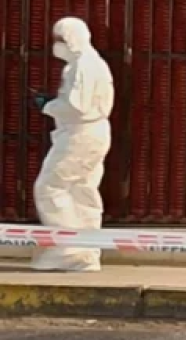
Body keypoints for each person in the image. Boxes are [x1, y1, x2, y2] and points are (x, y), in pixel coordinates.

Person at [31, 17, 114, 272]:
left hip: (80, 135)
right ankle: (88, 252)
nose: (56, 45)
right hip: (93, 133)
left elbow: (77, 107)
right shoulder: (92, 63)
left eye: (59, 39)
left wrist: (48, 106)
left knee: (50, 187)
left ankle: (68, 250)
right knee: (82, 191)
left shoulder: (82, 66)